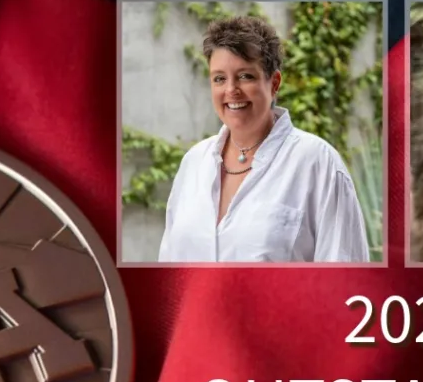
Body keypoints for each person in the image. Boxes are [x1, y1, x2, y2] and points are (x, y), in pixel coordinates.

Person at [157, 15, 370, 263]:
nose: (231, 90)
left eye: (245, 76)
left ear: (274, 83)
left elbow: (345, 280)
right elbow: (169, 270)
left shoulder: (318, 164)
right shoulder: (193, 163)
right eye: (219, 78)